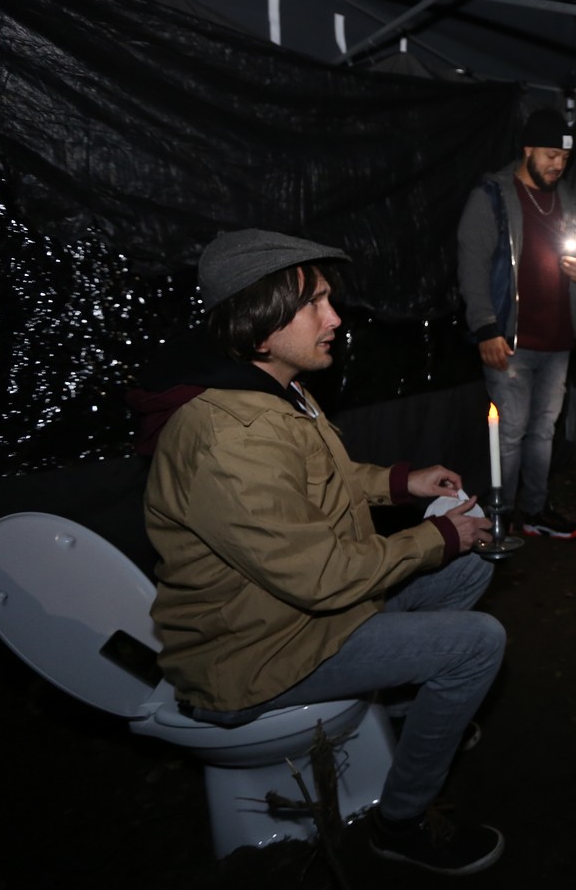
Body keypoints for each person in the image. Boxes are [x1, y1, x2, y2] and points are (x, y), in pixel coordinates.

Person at [139, 229, 507, 876]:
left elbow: (320, 479)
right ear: (259, 324)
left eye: (329, 300)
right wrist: (436, 535)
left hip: (298, 619)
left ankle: (404, 714)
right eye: (314, 304)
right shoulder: (230, 439)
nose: (334, 318)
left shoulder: (272, 386)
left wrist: (401, 484)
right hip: (256, 657)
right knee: (479, 642)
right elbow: (323, 577)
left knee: (471, 563)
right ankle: (401, 822)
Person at [456, 107, 576, 540]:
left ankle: (535, 510)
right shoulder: (493, 196)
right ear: (528, 149)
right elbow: (472, 263)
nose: (558, 165)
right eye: (551, 155)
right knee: (511, 433)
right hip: (511, 342)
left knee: (543, 433)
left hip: (557, 341)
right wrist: (486, 327)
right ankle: (498, 518)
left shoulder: (567, 198)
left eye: (565, 158)